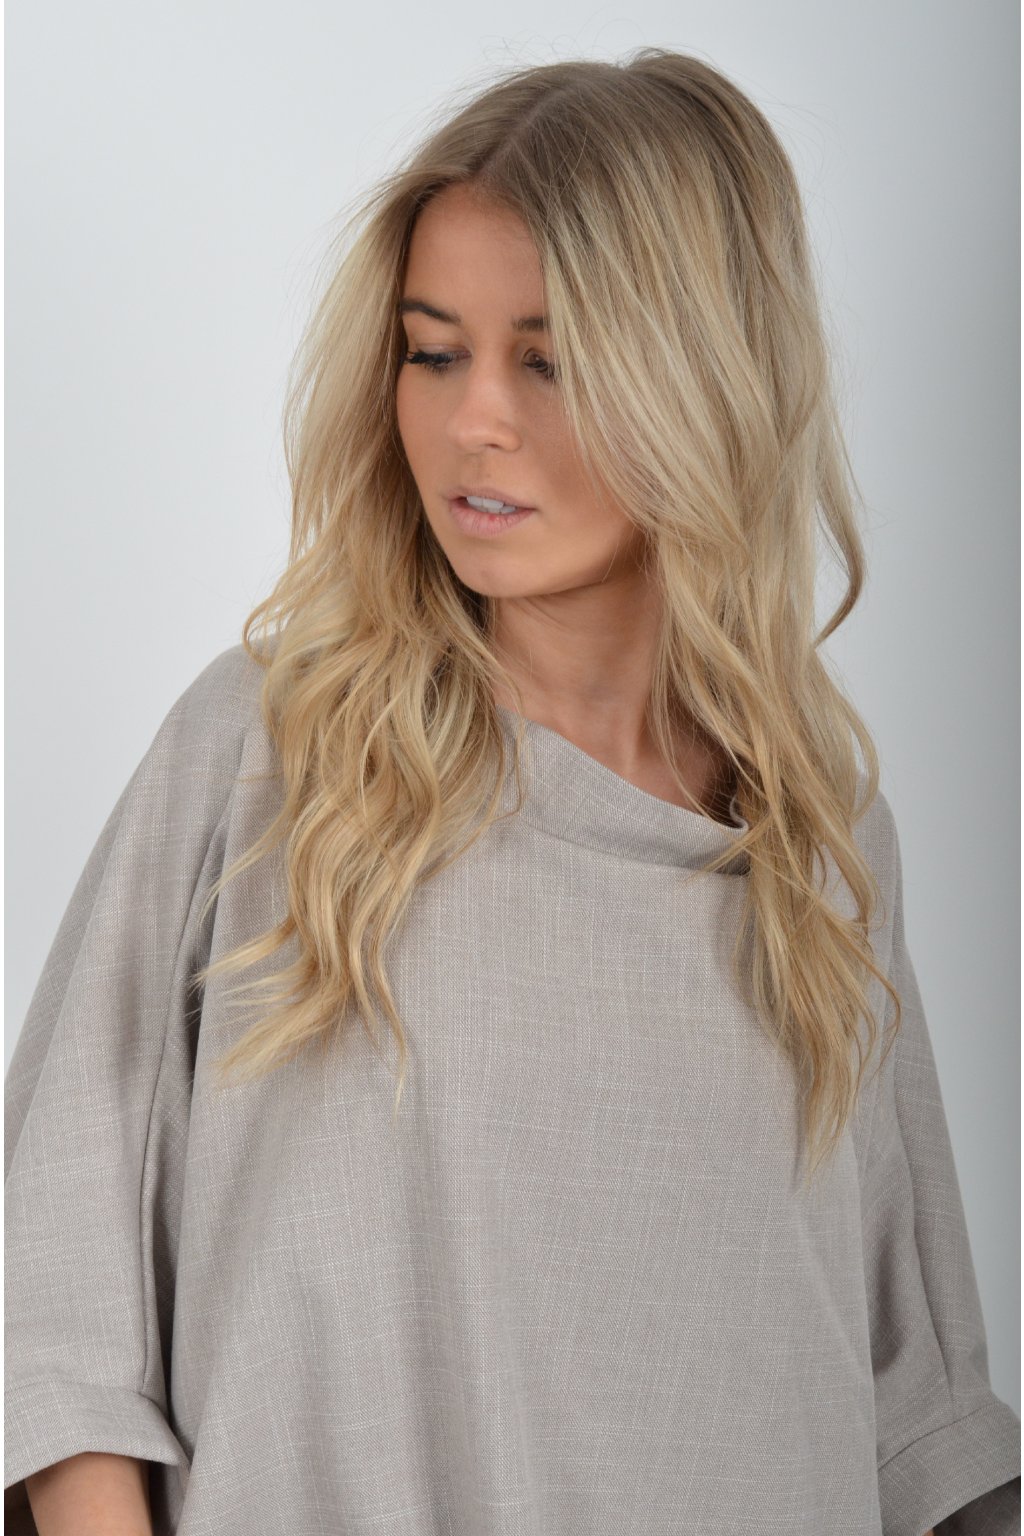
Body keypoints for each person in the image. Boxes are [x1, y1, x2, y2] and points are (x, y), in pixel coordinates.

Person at [5, 48, 1019, 1536]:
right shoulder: (276, 754)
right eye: (433, 353)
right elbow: (53, 1303)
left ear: (705, 378)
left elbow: (925, 1421)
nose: (474, 419)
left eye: (548, 361)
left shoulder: (814, 835)